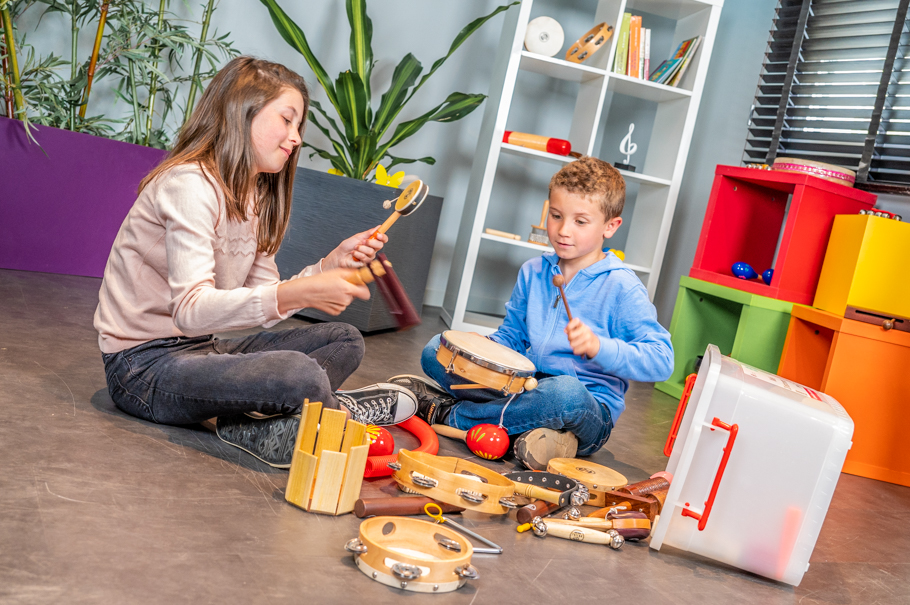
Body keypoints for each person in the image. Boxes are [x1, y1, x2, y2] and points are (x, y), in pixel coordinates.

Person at [94, 56, 417, 469]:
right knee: (297, 374)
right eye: (287, 120)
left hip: (201, 350)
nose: (296, 138)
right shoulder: (188, 185)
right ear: (240, 114)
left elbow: (263, 303)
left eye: (297, 126)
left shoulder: (256, 194)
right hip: (142, 369)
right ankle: (337, 414)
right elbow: (191, 312)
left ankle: (266, 423)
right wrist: (299, 291)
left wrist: (328, 265)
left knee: (344, 339)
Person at [389, 157, 673, 470]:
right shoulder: (534, 271)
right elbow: (513, 336)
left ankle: (450, 414)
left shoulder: (622, 286)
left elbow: (662, 360)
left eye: (580, 222)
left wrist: (598, 347)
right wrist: (483, 346)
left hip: (587, 410)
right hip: (525, 386)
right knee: (437, 348)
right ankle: (536, 433)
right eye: (556, 215)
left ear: (610, 226)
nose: (563, 230)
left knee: (565, 393)